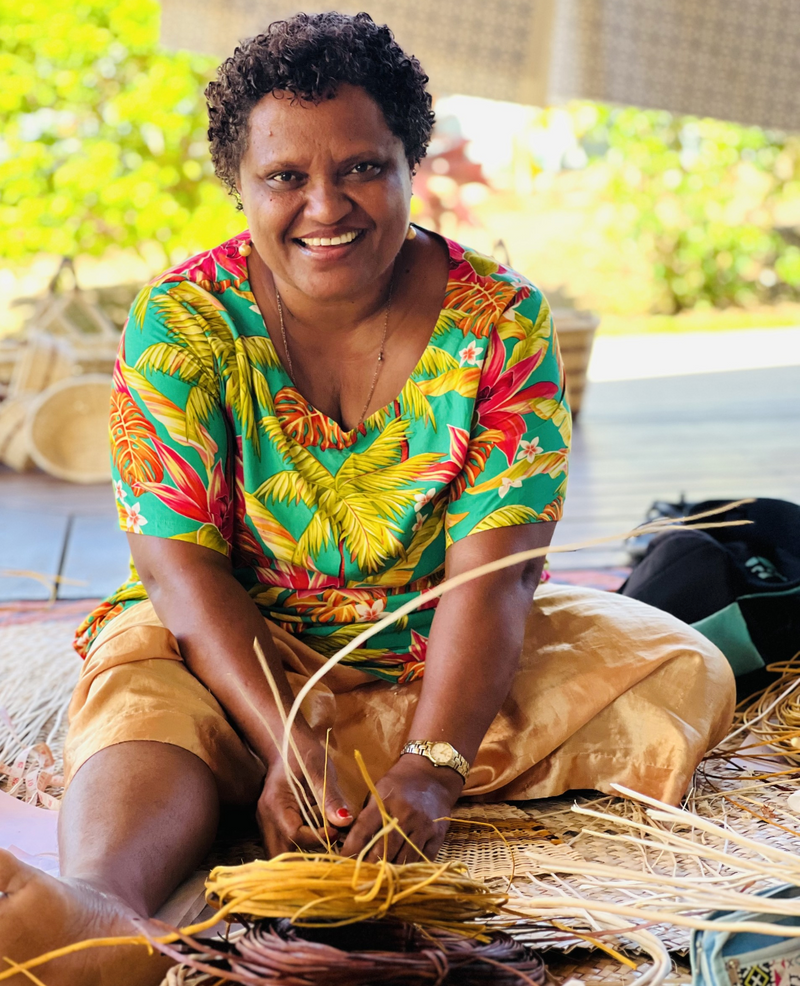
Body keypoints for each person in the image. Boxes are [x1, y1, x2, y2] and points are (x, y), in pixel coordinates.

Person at [0, 12, 736, 984]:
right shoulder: (180, 322)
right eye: (285, 178)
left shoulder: (500, 320)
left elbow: (499, 581)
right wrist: (285, 732)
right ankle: (107, 913)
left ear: (407, 162)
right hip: (234, 658)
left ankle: (316, 785)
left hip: (431, 657)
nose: (324, 206)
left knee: (678, 667)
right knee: (141, 673)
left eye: (359, 167)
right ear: (238, 184)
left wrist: (431, 762)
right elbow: (180, 574)